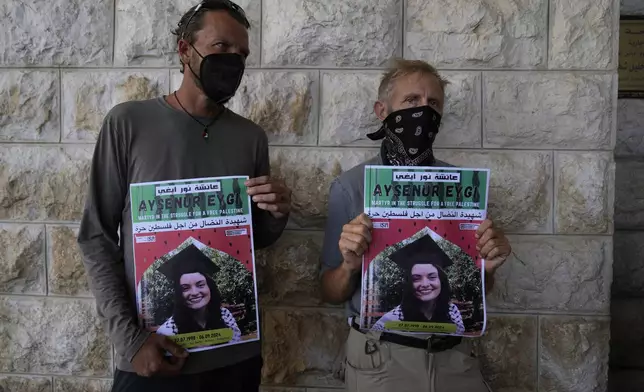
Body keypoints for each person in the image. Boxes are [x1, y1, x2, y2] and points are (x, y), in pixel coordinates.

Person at [77, 1, 291, 391]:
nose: (233, 62)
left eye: (241, 54)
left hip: (235, 356)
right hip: (153, 355)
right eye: (221, 47)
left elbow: (248, 240)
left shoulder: (250, 137)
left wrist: (276, 213)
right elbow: (96, 237)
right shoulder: (127, 123)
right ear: (184, 50)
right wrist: (130, 339)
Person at [320, 58, 512, 392]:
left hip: (455, 358)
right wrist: (350, 267)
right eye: (411, 101)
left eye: (433, 104)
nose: (424, 112)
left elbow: (474, 288)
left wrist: (488, 268)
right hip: (381, 358)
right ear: (382, 111)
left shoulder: (461, 188)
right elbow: (327, 290)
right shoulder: (350, 187)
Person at [370, 234, 464, 334]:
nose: (425, 284)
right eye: (416, 279)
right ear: (409, 284)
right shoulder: (390, 321)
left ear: (441, 281)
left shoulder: (452, 311)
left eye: (432, 277)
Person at [155, 244, 242, 343]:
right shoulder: (168, 332)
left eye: (200, 285)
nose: (195, 293)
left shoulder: (225, 316)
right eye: (185, 288)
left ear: (210, 287)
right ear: (179, 294)